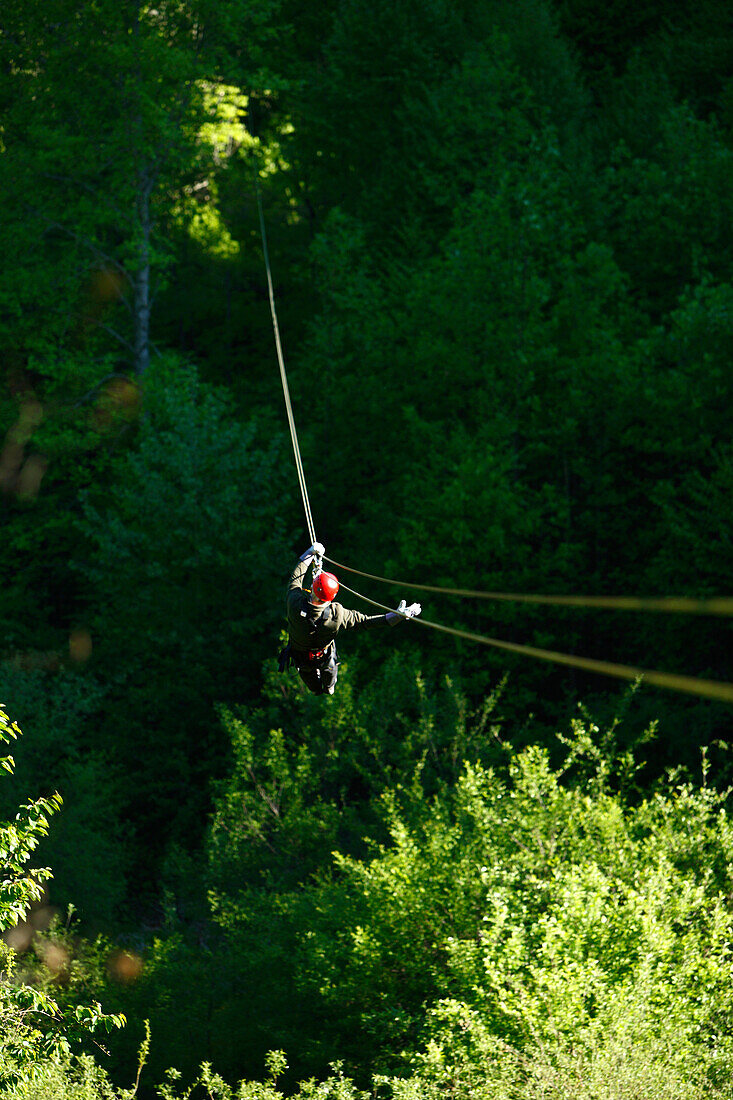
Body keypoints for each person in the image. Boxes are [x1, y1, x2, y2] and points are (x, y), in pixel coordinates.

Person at [280, 542, 421, 696]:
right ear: (332, 597)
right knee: (330, 683)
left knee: (314, 688)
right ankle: (329, 687)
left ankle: (319, 690)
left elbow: (296, 578)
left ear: (312, 588)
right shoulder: (337, 614)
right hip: (324, 657)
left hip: (302, 659)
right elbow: (367, 622)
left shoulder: (295, 604)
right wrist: (398, 616)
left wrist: (310, 552)